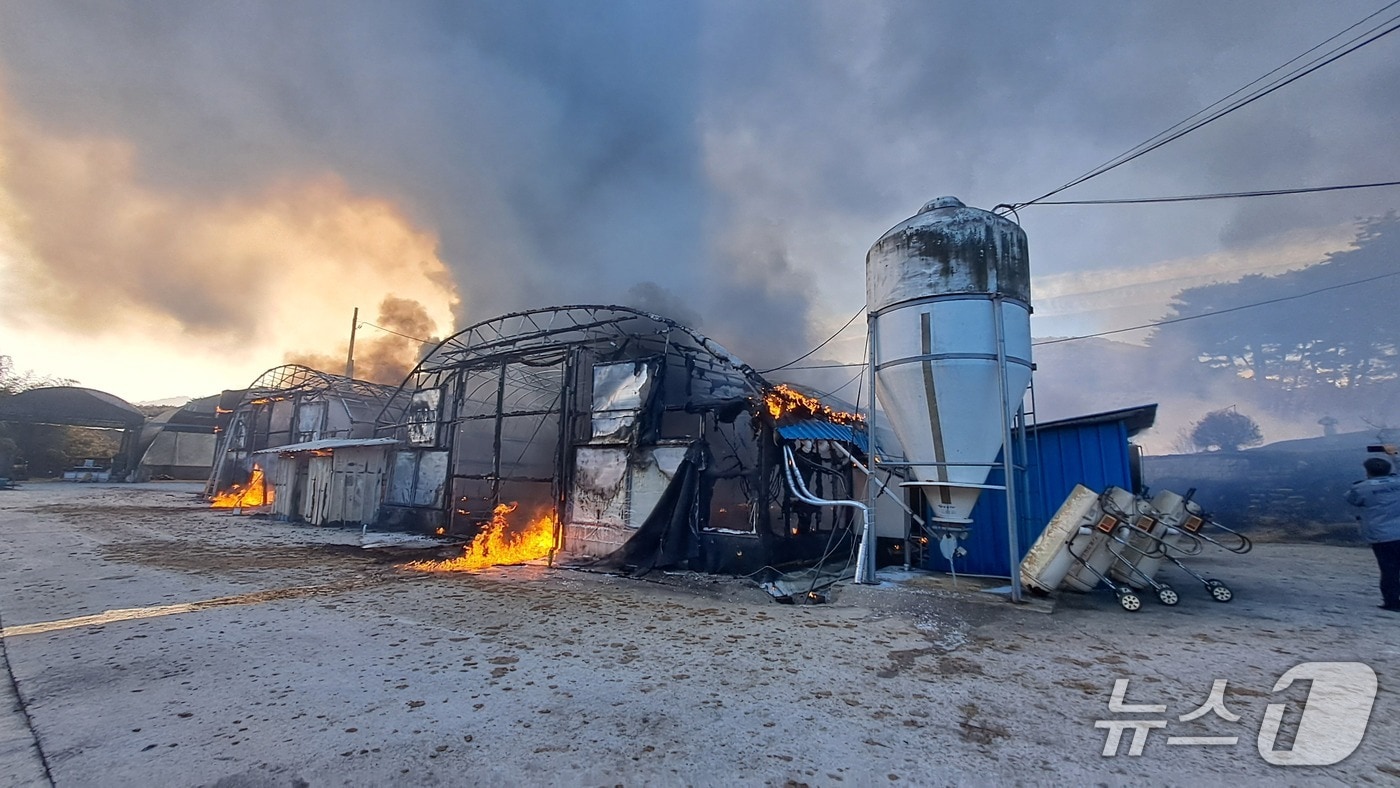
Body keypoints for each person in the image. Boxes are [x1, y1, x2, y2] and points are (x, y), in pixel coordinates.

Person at [1345, 456, 1400, 612]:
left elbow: (1351, 499)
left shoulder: (1361, 488)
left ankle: (1392, 602)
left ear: (1368, 471)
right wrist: (1394, 454)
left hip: (1382, 536)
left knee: (1390, 569)